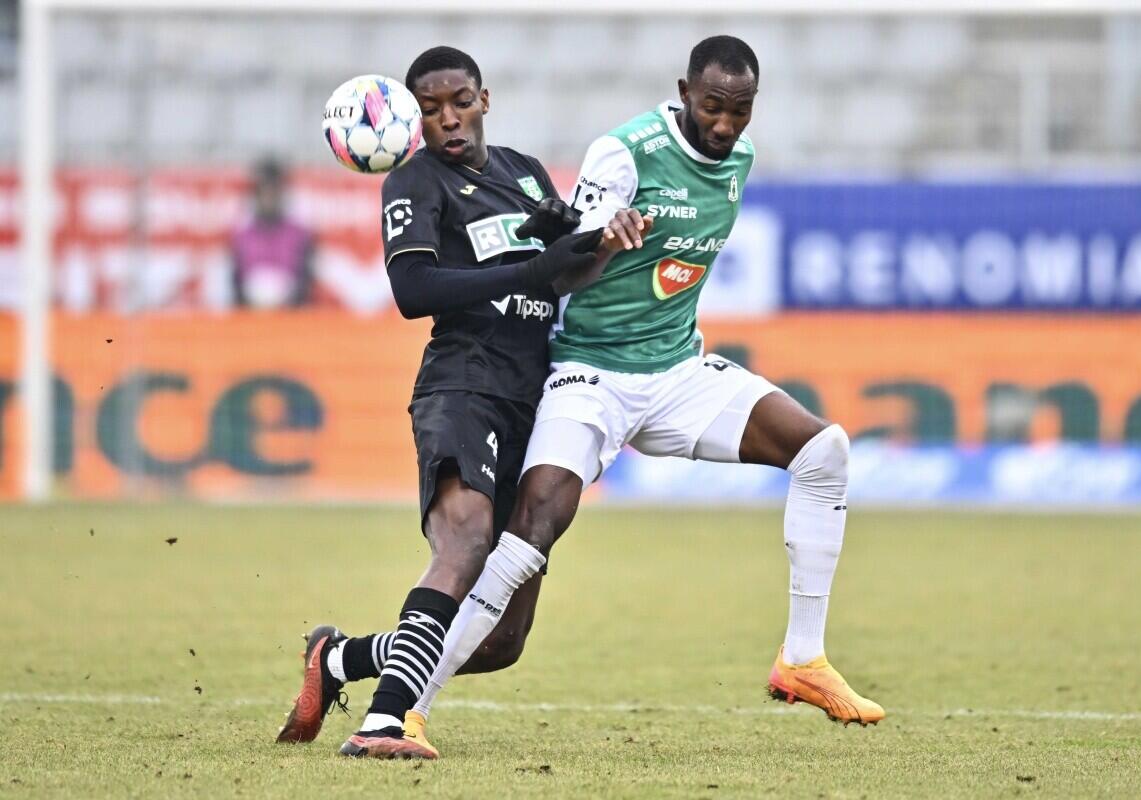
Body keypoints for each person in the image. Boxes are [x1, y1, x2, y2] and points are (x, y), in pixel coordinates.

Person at [403, 34, 886, 757]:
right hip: (589, 374)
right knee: (534, 527)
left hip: (675, 375)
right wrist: (603, 240)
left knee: (825, 450)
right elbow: (565, 273)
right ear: (685, 91)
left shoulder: (740, 161)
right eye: (713, 107)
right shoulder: (624, 153)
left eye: (741, 111)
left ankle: (803, 660)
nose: (725, 125)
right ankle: (410, 707)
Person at [271, 46, 637, 759]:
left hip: (538, 401)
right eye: (432, 108)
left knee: (502, 639)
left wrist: (609, 241)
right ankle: (385, 720)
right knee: (463, 540)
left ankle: (341, 659)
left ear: (484, 99)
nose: (449, 120)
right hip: (463, 384)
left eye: (460, 102)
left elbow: (565, 270)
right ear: (414, 117)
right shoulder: (414, 181)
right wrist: (528, 268)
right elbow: (413, 291)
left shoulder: (525, 173)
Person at [230, 159, 315, 309]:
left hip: (290, 316)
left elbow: (305, 280)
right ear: (255, 195)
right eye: (264, 192)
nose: (269, 199)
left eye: (273, 192)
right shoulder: (242, 236)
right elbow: (235, 281)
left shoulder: (299, 235)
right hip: (250, 316)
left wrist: (289, 300)